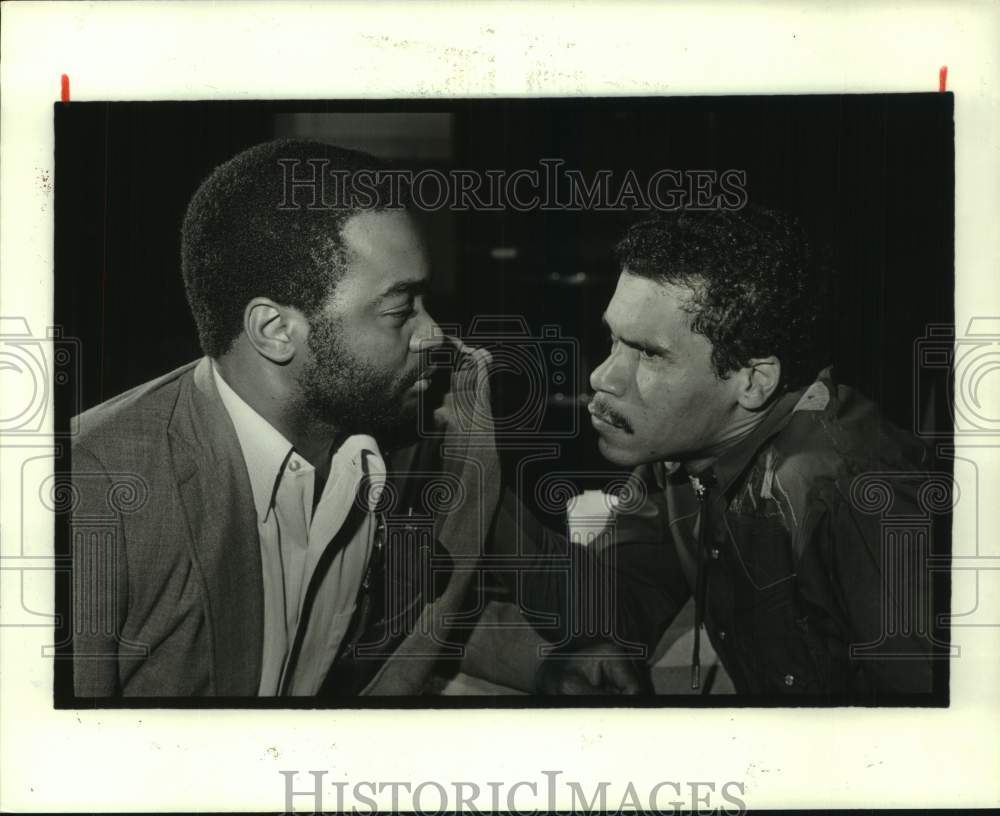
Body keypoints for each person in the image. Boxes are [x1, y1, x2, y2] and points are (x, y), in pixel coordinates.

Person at [69, 139, 540, 697]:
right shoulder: (93, 494)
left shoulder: (416, 423)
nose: (433, 334)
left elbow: (418, 618)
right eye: (398, 310)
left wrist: (558, 657)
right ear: (275, 331)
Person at [516, 207, 947, 700]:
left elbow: (924, 729)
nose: (602, 377)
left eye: (650, 354)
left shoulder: (853, 490)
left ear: (753, 381)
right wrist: (479, 481)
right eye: (612, 340)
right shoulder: (681, 451)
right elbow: (613, 601)